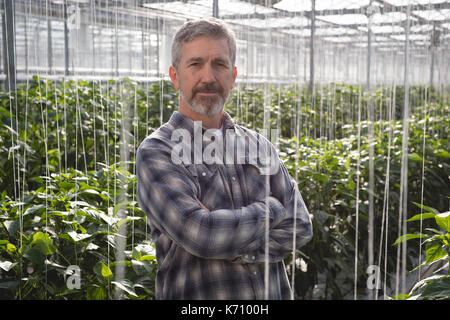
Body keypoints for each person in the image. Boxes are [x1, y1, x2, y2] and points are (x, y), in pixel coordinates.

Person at [136, 17, 312, 300]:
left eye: (220, 64)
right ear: (174, 76)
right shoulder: (158, 151)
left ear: (233, 75)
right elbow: (202, 234)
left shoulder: (258, 144)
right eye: (195, 64)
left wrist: (233, 246)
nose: (208, 77)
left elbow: (300, 226)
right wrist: (271, 209)